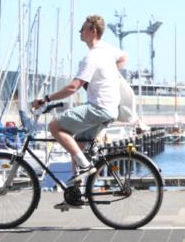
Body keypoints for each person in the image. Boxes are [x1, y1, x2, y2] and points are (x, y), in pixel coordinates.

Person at [32, 15, 127, 184]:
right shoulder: (108, 50)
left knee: (54, 126)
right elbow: (123, 57)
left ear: (93, 31)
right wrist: (109, 74)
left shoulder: (92, 57)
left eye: (82, 28)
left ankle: (84, 166)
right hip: (110, 109)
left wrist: (45, 99)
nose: (79, 31)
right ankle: (78, 191)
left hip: (98, 107)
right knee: (78, 145)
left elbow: (72, 87)